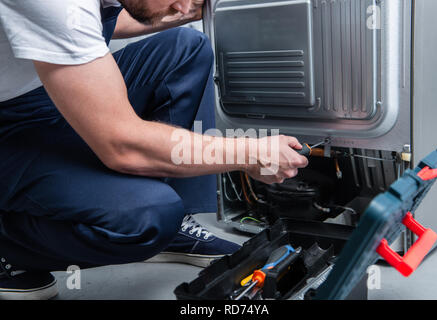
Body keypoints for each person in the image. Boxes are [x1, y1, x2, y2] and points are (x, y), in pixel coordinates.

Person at [0, 0, 308, 299]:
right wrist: (248, 153)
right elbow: (122, 146)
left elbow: (94, 21)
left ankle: (176, 229)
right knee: (148, 219)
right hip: (10, 127)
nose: (186, 7)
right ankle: (9, 247)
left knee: (186, 48)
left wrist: (179, 14)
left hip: (46, 93)